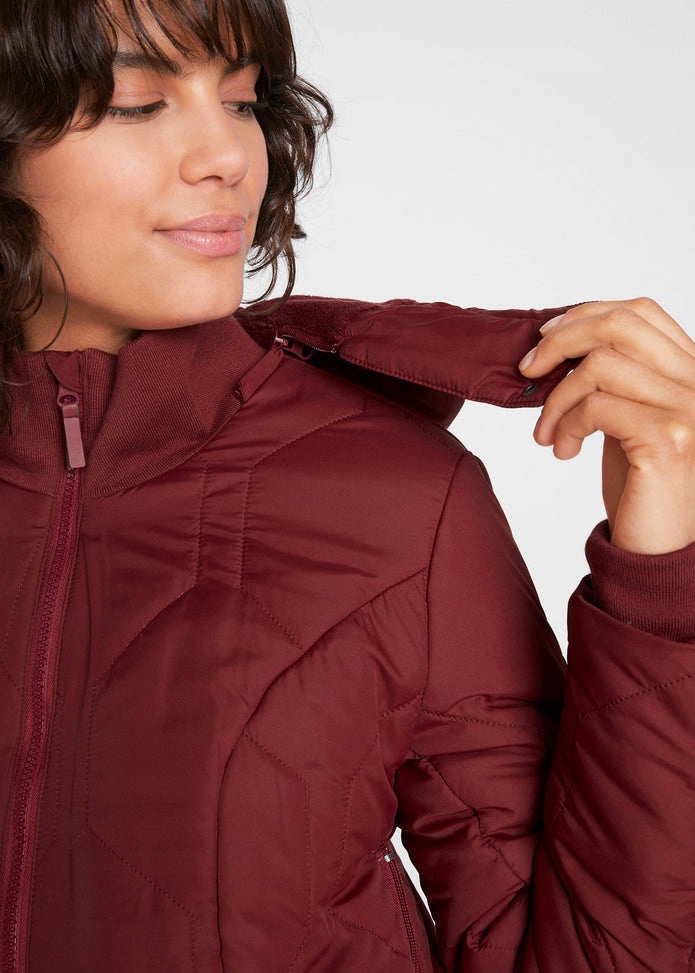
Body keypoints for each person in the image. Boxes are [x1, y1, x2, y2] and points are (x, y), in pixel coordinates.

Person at [0, 1, 693, 971]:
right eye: (137, 104)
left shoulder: (393, 497)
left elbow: (588, 955)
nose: (226, 158)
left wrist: (659, 572)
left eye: (242, 101)